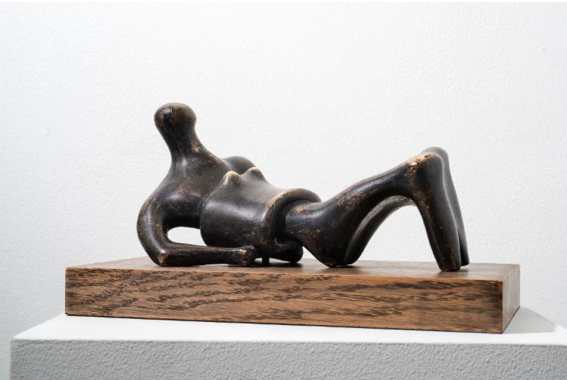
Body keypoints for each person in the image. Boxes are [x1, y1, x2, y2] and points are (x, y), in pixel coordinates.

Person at [138, 103, 468, 271]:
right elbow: (165, 252)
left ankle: (408, 177)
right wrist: (231, 253)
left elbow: (163, 251)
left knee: (333, 245)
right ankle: (421, 185)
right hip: (291, 221)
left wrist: (233, 254)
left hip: (291, 224)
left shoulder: (166, 196)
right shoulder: (234, 163)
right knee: (338, 249)